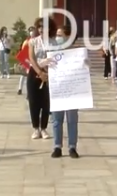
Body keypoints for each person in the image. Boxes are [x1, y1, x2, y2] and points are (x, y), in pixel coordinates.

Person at [49, 25, 82, 159]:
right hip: (58, 89)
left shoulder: (76, 53)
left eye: (60, 35)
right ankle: (57, 146)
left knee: (72, 119)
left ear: (68, 37)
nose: (58, 38)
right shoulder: (53, 52)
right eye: (57, 35)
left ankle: (72, 147)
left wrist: (85, 63)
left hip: (72, 90)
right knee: (57, 119)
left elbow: (84, 68)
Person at [27, 18, 51, 139]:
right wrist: (39, 72)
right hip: (34, 72)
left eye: (44, 27)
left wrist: (46, 72)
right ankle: (36, 128)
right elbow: (31, 58)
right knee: (34, 101)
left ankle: (44, 128)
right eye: (40, 27)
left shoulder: (53, 42)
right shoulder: (33, 41)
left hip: (49, 73)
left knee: (46, 102)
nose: (42, 29)